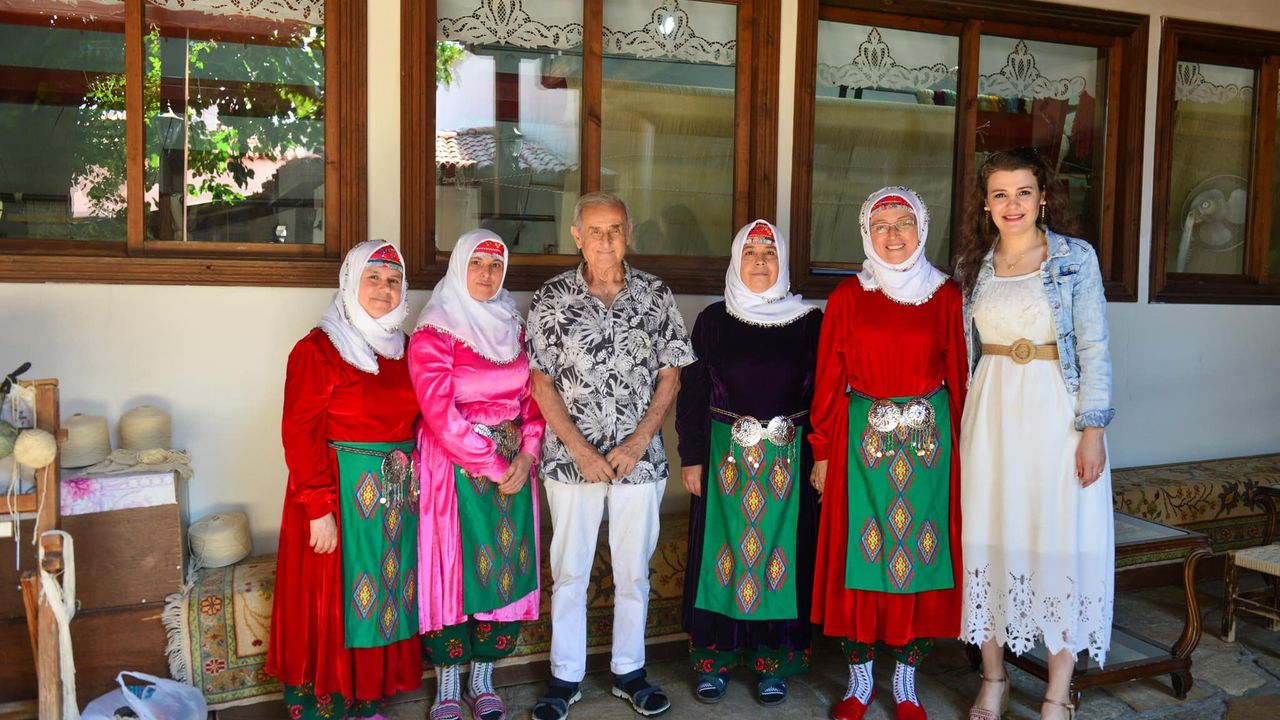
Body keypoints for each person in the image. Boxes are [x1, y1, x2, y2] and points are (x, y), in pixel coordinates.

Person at [956, 149, 1114, 720]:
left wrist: (1093, 429)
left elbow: (1094, 345)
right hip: (991, 413)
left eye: (1023, 192)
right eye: (1000, 194)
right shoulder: (972, 264)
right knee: (988, 532)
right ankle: (993, 679)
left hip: (1056, 412)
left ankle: (1056, 694)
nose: (1012, 204)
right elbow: (963, 349)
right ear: (986, 204)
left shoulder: (1075, 258)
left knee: (1058, 538)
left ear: (1043, 196)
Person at [526, 192, 695, 720]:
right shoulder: (552, 297)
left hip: (638, 461)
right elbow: (540, 382)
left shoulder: (655, 294)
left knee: (633, 573)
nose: (606, 240)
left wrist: (640, 440)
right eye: (595, 231)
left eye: (615, 229)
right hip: (570, 462)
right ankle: (565, 678)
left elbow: (671, 374)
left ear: (629, 233)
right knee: (570, 573)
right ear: (576, 236)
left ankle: (629, 672)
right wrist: (580, 449)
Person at [809, 188, 968, 720]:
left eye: (904, 222)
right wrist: (823, 452)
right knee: (861, 557)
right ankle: (858, 683)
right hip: (861, 447)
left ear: (921, 229)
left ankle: (905, 684)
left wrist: (967, 451)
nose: (893, 234)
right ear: (866, 233)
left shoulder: (946, 296)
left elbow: (960, 376)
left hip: (928, 449)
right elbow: (828, 379)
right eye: (881, 225)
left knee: (918, 559)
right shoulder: (848, 297)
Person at [267, 240, 421, 720]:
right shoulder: (319, 349)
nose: (384, 289)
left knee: (382, 592)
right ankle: (327, 707)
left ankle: (368, 697)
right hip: (337, 497)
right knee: (333, 598)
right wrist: (318, 509)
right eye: (372, 277)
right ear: (351, 281)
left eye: (393, 280)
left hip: (391, 499)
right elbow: (299, 432)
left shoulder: (403, 348)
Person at [675, 220, 822, 707]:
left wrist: (820, 456)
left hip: (788, 461)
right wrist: (692, 458)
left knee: (780, 556)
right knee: (723, 556)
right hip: (725, 460)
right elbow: (692, 392)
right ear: (736, 261)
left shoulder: (809, 322)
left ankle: (771, 663)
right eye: (751, 252)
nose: (760, 261)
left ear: (783, 261)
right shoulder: (713, 321)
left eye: (770, 252)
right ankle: (714, 661)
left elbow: (823, 396)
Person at [410, 230, 546, 720]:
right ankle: (447, 685)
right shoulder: (435, 332)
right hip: (452, 468)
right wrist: (491, 463)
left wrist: (527, 455)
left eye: (495, 265)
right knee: (451, 570)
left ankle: (482, 679)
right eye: (477, 263)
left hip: (513, 469)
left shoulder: (514, 326)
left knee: (503, 564)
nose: (487, 274)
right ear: (459, 267)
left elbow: (532, 401)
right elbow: (438, 414)